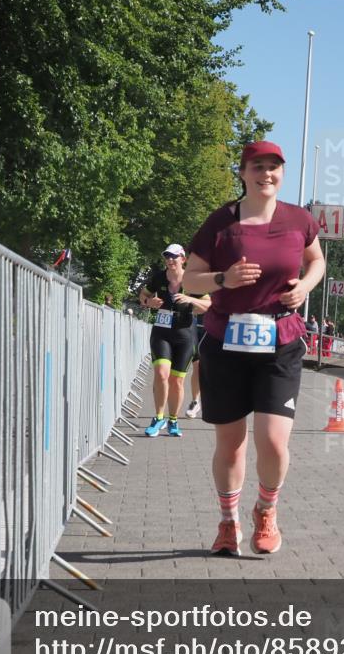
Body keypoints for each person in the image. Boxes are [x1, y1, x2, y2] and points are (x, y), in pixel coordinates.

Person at [183, 140, 325, 557]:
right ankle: (228, 523)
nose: (267, 174)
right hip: (226, 341)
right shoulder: (221, 223)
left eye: (274, 167)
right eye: (258, 167)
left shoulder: (299, 219)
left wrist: (305, 287)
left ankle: (266, 511)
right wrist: (223, 279)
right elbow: (191, 280)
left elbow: (317, 261)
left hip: (280, 340)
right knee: (230, 443)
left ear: (282, 174)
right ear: (243, 172)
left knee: (274, 440)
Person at [139, 244, 209, 437]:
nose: (170, 260)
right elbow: (143, 296)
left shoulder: (192, 280)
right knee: (161, 374)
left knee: (177, 381)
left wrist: (191, 300)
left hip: (184, 334)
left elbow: (208, 305)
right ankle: (158, 417)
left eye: (174, 257)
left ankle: (173, 420)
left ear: (182, 259)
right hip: (161, 332)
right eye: (167, 257)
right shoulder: (159, 277)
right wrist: (148, 302)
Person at [185, 292, 211, 419]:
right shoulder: (198, 277)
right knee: (197, 365)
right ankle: (195, 401)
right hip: (196, 326)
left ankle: (217, 400)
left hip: (217, 328)